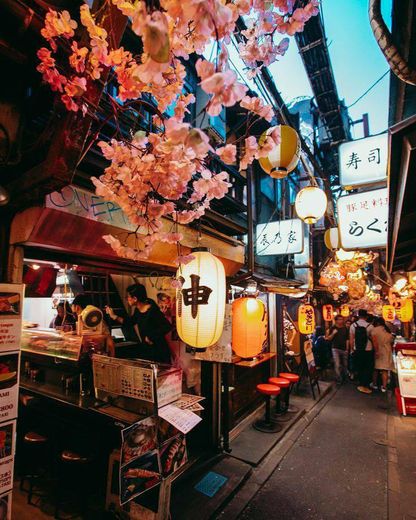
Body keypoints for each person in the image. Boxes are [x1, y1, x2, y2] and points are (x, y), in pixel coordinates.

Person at [106, 283, 172, 364]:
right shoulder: (138, 310)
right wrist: (113, 316)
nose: (127, 299)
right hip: (149, 350)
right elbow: (130, 322)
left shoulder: (152, 310)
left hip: (159, 351)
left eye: (128, 297)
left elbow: (167, 326)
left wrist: (151, 336)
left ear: (135, 298)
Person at [350, 309, 374, 394]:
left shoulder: (353, 325)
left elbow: (351, 339)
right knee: (367, 367)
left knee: (359, 366)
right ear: (366, 316)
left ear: (358, 316)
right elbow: (374, 339)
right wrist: (376, 350)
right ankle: (365, 384)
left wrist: (352, 349)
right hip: (368, 349)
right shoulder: (370, 326)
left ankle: (360, 383)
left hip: (357, 349)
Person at [371, 317, 394, 392]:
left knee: (376, 369)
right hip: (387, 351)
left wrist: (376, 351)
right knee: (385, 370)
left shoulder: (374, 330)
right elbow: (391, 341)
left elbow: (374, 342)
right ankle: (384, 387)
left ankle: (374, 384)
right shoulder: (387, 330)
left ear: (377, 323)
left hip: (378, 351)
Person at [326, 315, 349, 384]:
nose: (341, 321)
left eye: (342, 319)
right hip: (335, 348)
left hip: (344, 348)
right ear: (336, 320)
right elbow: (328, 338)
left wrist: (347, 348)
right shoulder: (332, 328)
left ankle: (345, 377)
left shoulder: (345, 328)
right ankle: (339, 379)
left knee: (345, 365)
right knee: (337, 364)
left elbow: (347, 339)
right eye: (339, 319)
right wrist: (333, 333)